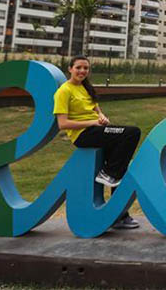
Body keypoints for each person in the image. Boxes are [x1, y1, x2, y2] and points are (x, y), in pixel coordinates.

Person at [53, 55, 141, 229]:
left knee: (120, 165)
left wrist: (101, 116)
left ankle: (119, 215)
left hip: (96, 130)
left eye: (85, 68)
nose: (82, 71)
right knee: (132, 133)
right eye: (78, 67)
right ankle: (108, 174)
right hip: (83, 135)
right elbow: (62, 124)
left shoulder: (86, 87)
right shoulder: (64, 91)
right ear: (70, 69)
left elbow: (95, 108)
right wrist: (92, 122)